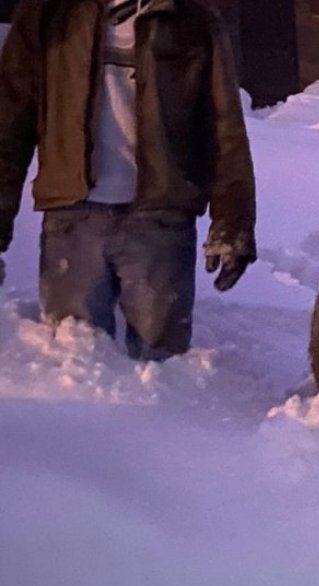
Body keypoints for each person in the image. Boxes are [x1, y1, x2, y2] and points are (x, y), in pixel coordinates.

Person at [0, 0, 256, 360]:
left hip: (161, 222)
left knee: (162, 372)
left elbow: (223, 125)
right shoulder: (50, 12)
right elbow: (9, 119)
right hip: (72, 219)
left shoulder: (191, 19)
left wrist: (234, 222)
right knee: (73, 367)